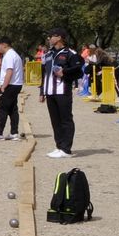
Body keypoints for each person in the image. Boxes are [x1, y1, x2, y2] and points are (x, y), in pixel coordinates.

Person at [39, 28, 83, 159]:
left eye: (51, 36)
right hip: (49, 92)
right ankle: (59, 146)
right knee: (55, 120)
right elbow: (44, 74)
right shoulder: (48, 54)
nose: (49, 39)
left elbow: (79, 71)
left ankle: (66, 149)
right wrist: (42, 91)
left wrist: (65, 72)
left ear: (59, 38)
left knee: (66, 119)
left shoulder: (70, 53)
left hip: (62, 91)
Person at [0, 37, 24, 142]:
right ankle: (14, 132)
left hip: (10, 85)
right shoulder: (15, 55)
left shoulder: (9, 56)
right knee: (13, 109)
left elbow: (9, 71)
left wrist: (4, 86)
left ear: (4, 45)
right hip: (16, 85)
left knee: (2, 108)